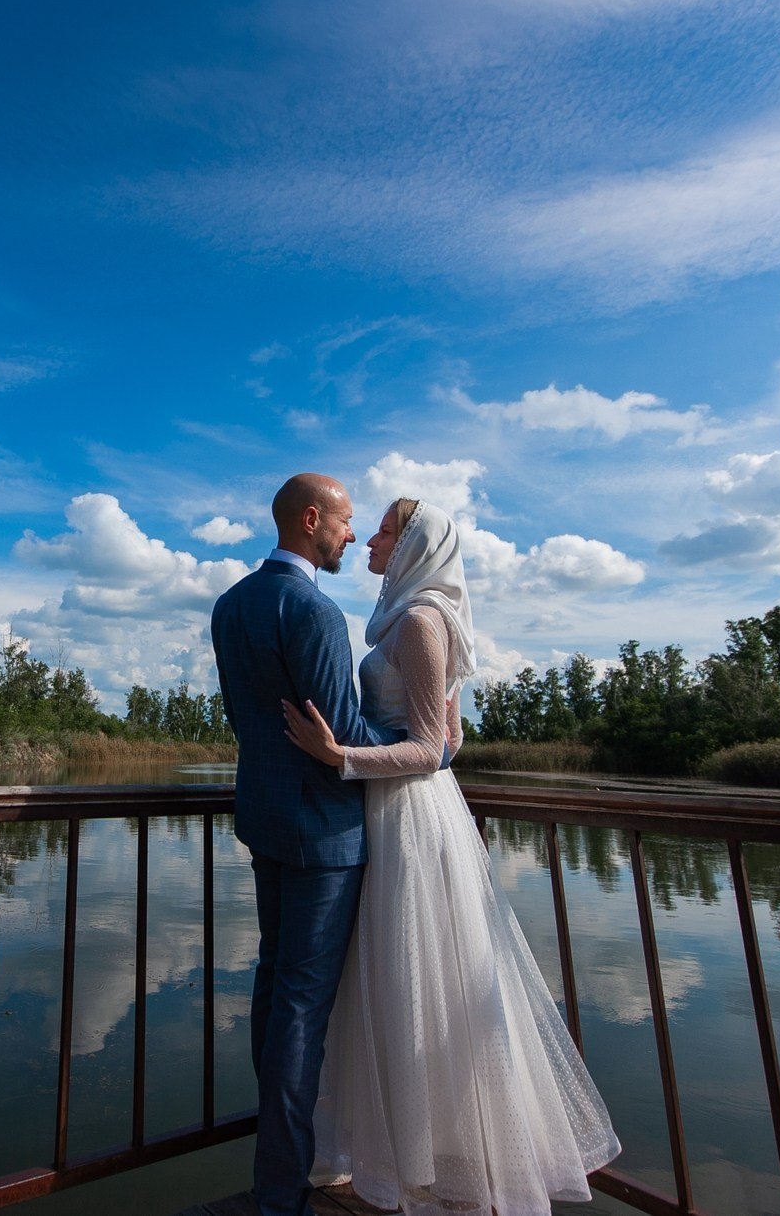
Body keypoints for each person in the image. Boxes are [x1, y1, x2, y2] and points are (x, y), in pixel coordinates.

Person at [283, 498, 620, 1216]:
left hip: (408, 816)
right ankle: (410, 1151)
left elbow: (431, 750)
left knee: (413, 978)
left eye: (382, 530)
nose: (368, 540)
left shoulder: (419, 621)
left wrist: (340, 754)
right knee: (402, 978)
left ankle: (421, 1162)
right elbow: (453, 741)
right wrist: (385, 738)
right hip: (403, 809)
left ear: (412, 546)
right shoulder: (422, 616)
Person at [211, 473, 395, 1216]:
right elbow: (342, 736)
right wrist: (431, 747)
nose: (351, 534)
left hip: (265, 819)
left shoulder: (231, 604)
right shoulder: (314, 610)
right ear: (311, 520)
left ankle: (283, 1164)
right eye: (346, 522)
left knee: (273, 983)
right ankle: (284, 1190)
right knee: (300, 1004)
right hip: (324, 832)